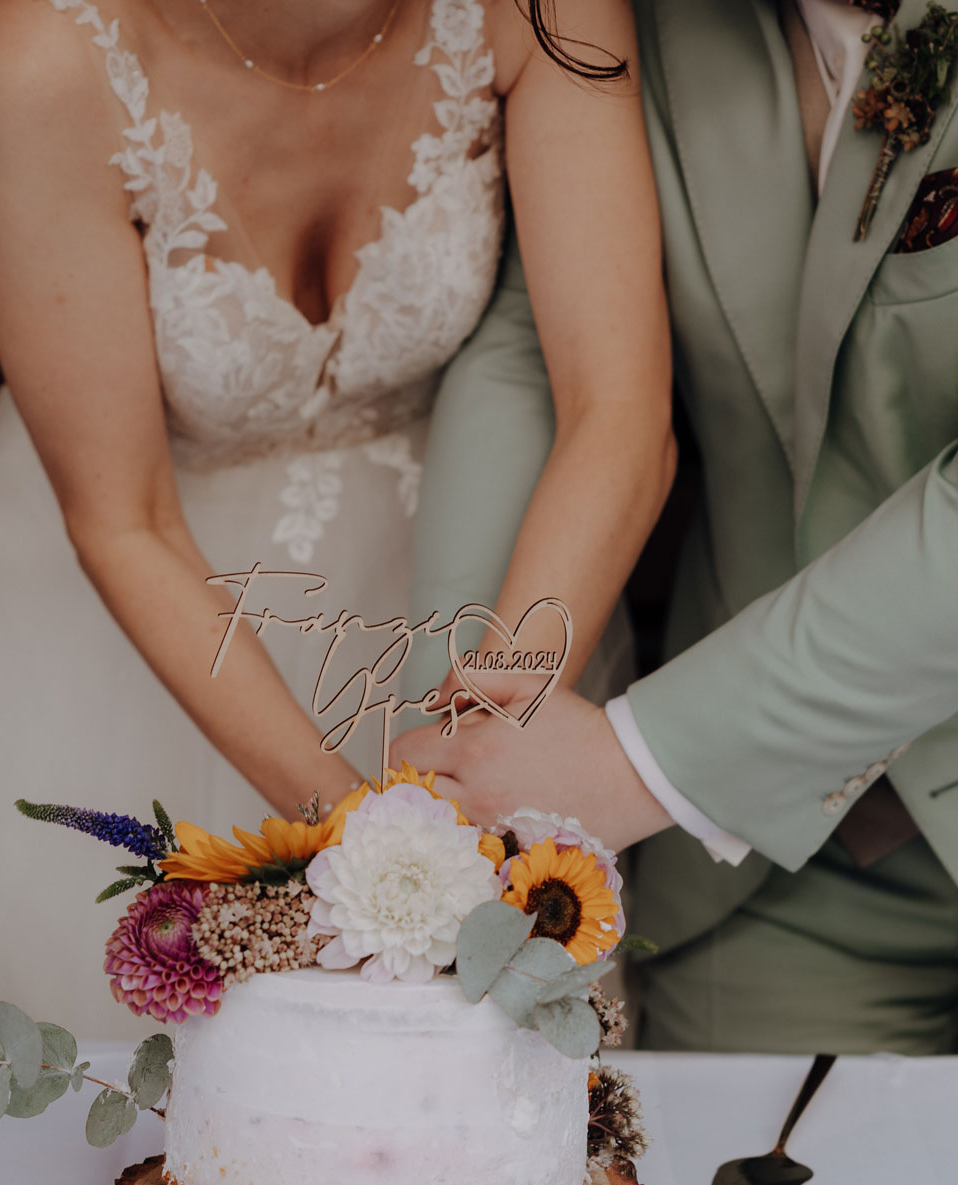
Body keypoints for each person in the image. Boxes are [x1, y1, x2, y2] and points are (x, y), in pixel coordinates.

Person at [0, 0, 674, 1038]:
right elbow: (124, 517)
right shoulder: (49, 53)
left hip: (443, 595)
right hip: (128, 608)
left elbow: (621, 410)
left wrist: (492, 733)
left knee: (469, 1121)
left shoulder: (535, 13)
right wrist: (375, 840)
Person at [394, 0, 958, 1054]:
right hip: (779, 868)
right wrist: (474, 714)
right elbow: (541, 349)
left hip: (696, 755)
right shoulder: (634, 21)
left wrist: (634, 764)